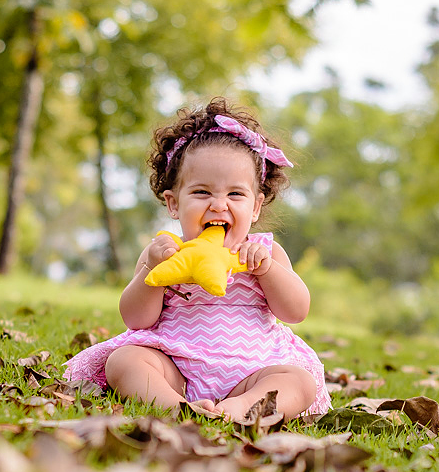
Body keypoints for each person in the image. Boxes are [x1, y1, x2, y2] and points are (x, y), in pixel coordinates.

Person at [64, 98, 331, 422]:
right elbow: (136, 320)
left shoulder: (265, 252)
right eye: (202, 193)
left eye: (235, 194)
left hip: (253, 372)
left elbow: (296, 311)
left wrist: (268, 271)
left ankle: (239, 409)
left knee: (300, 382)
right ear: (174, 203)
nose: (219, 205)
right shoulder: (166, 252)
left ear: (256, 207)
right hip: (176, 368)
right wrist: (151, 269)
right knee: (125, 360)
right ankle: (176, 407)